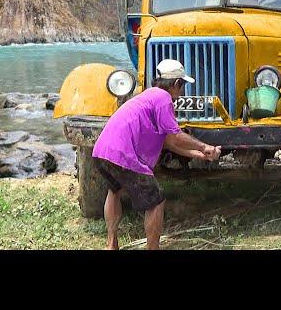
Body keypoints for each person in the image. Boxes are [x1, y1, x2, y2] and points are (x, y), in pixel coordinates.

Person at [92, 59, 221, 250]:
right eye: (183, 85)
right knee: (156, 201)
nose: (182, 91)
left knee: (115, 190)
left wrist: (201, 155)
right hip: (123, 155)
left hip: (102, 151)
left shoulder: (148, 96)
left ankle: (111, 244)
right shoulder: (163, 99)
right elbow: (176, 136)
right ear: (177, 84)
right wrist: (205, 146)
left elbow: (169, 142)